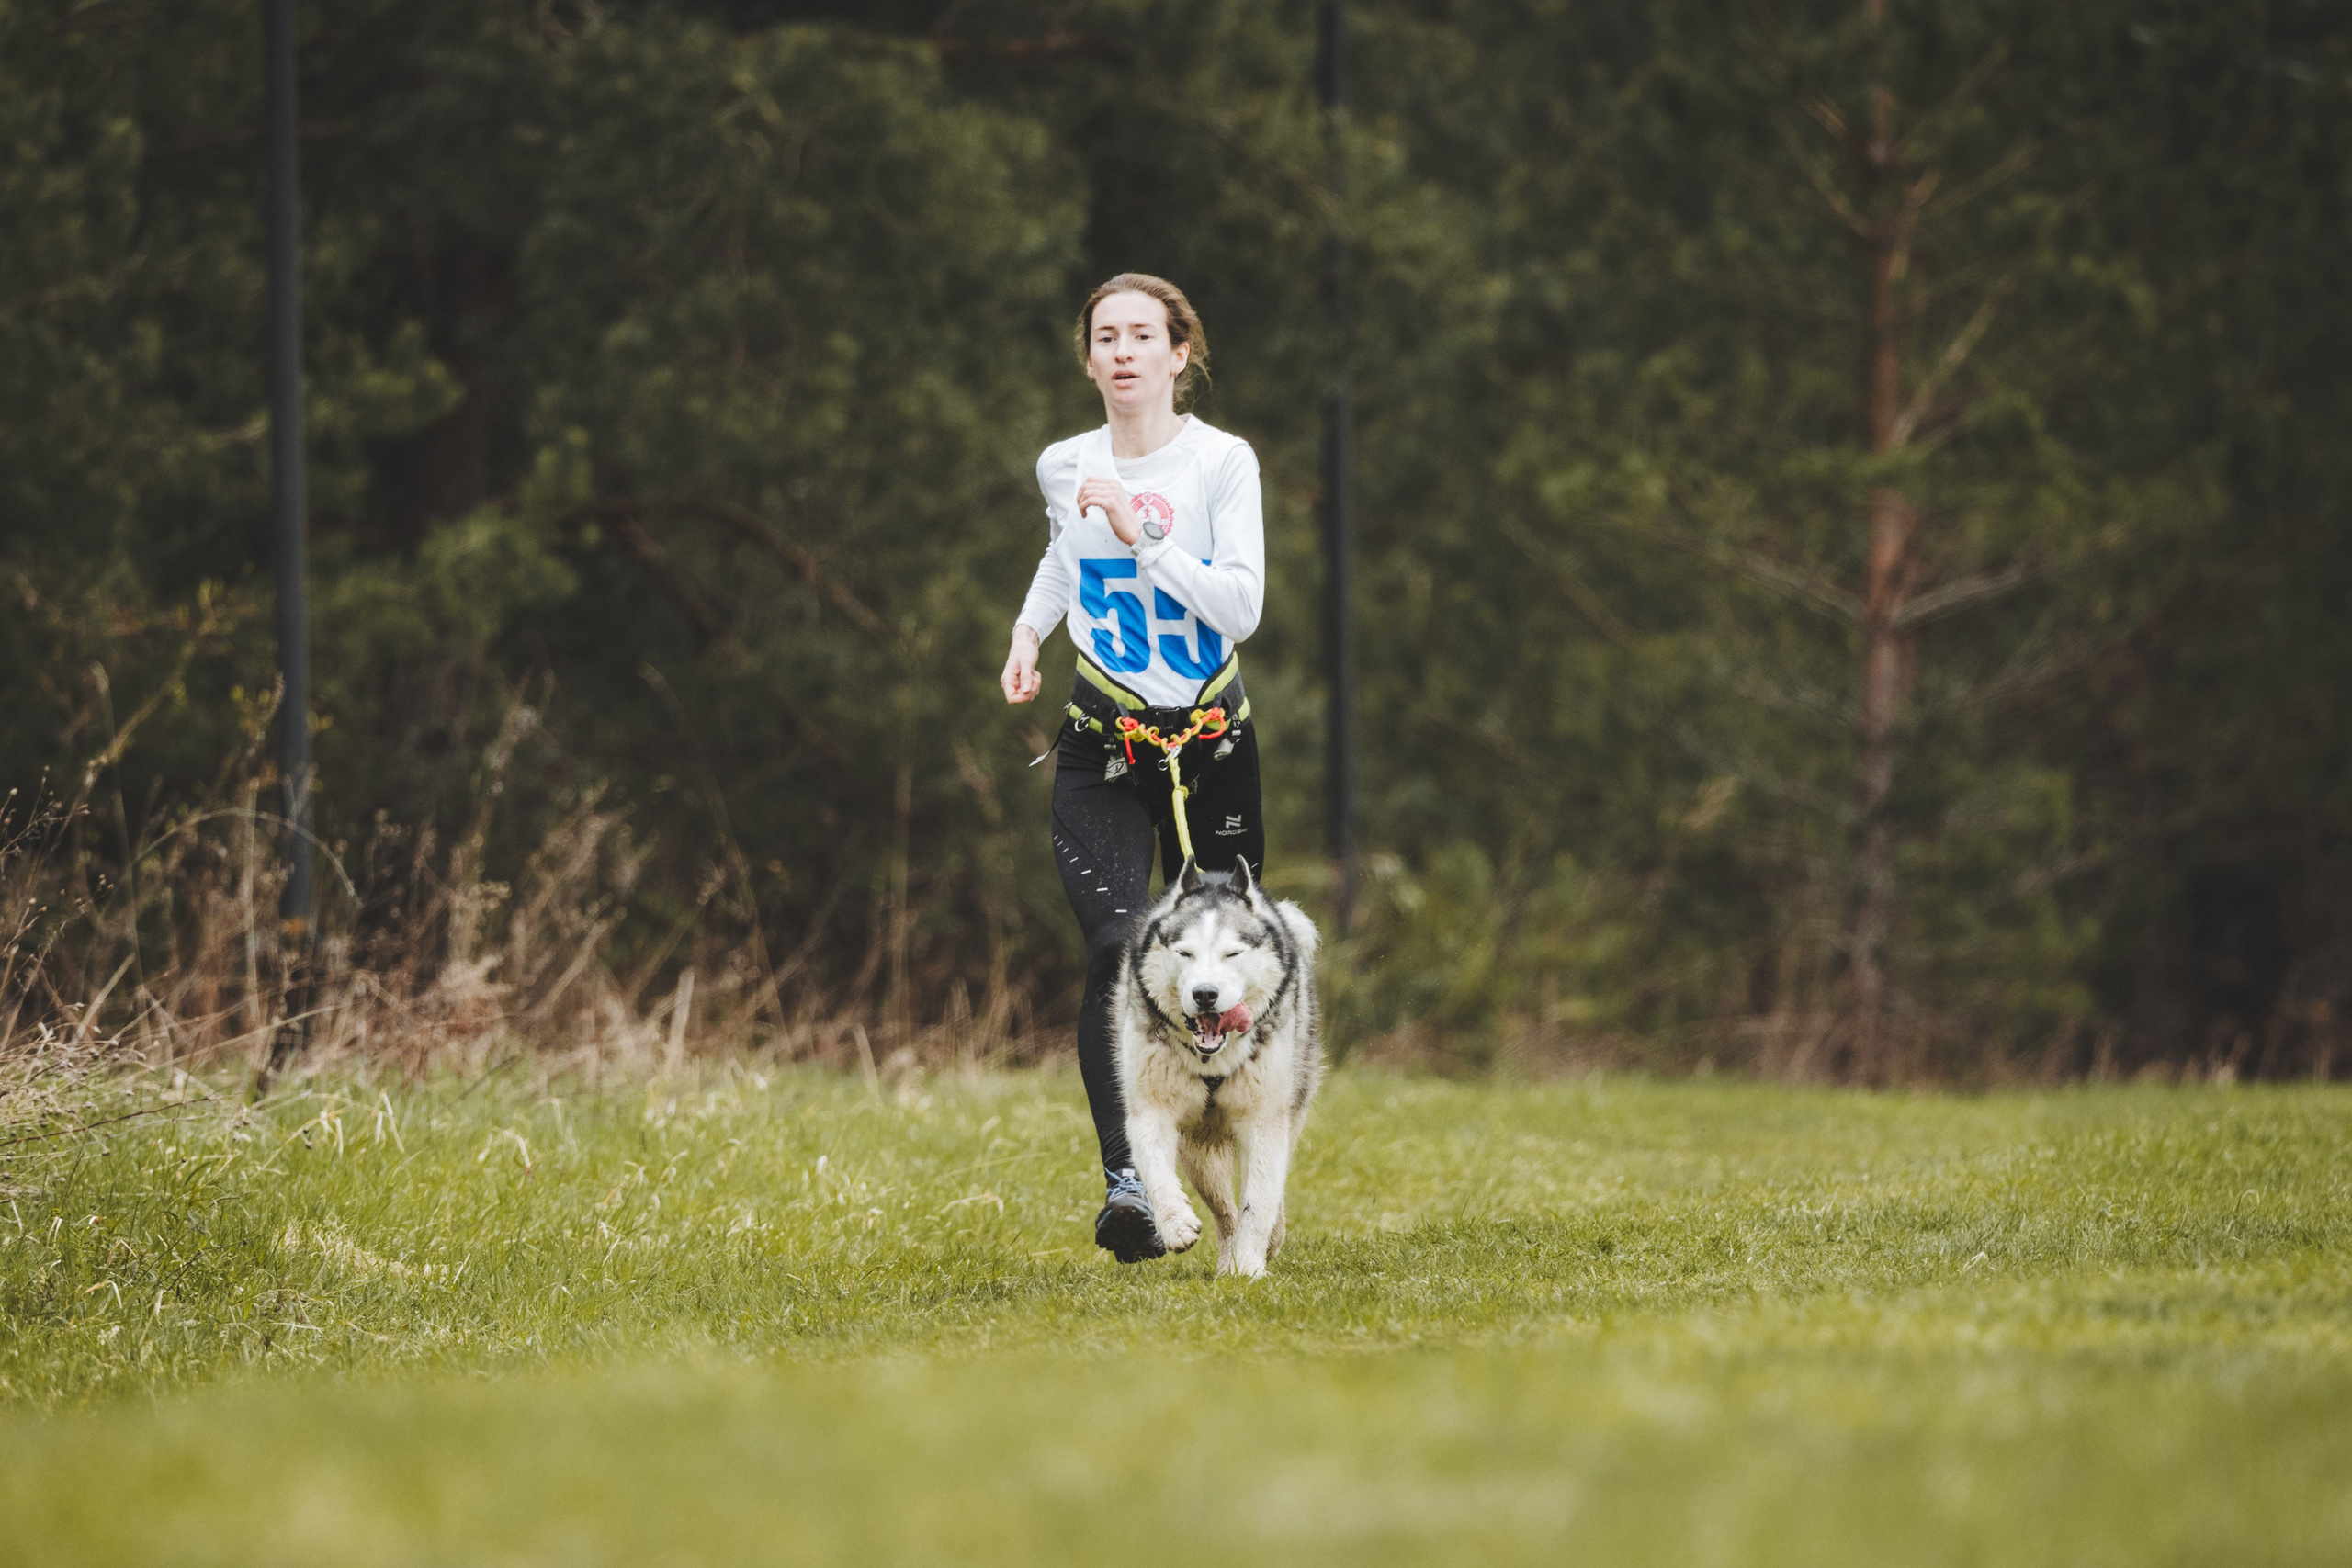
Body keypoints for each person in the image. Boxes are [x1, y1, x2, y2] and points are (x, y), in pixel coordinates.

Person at [1000, 273, 1267, 1263]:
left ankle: (1239, 1176)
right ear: (1088, 359)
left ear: (1177, 353)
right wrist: (1030, 633)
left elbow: (1240, 609)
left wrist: (1143, 535)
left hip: (1210, 748)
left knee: (1228, 967)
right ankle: (1131, 1187)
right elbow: (1064, 562)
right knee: (1116, 944)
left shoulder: (1218, 465)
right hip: (1102, 741)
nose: (1120, 351)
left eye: (1140, 336)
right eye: (1103, 336)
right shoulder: (1063, 465)